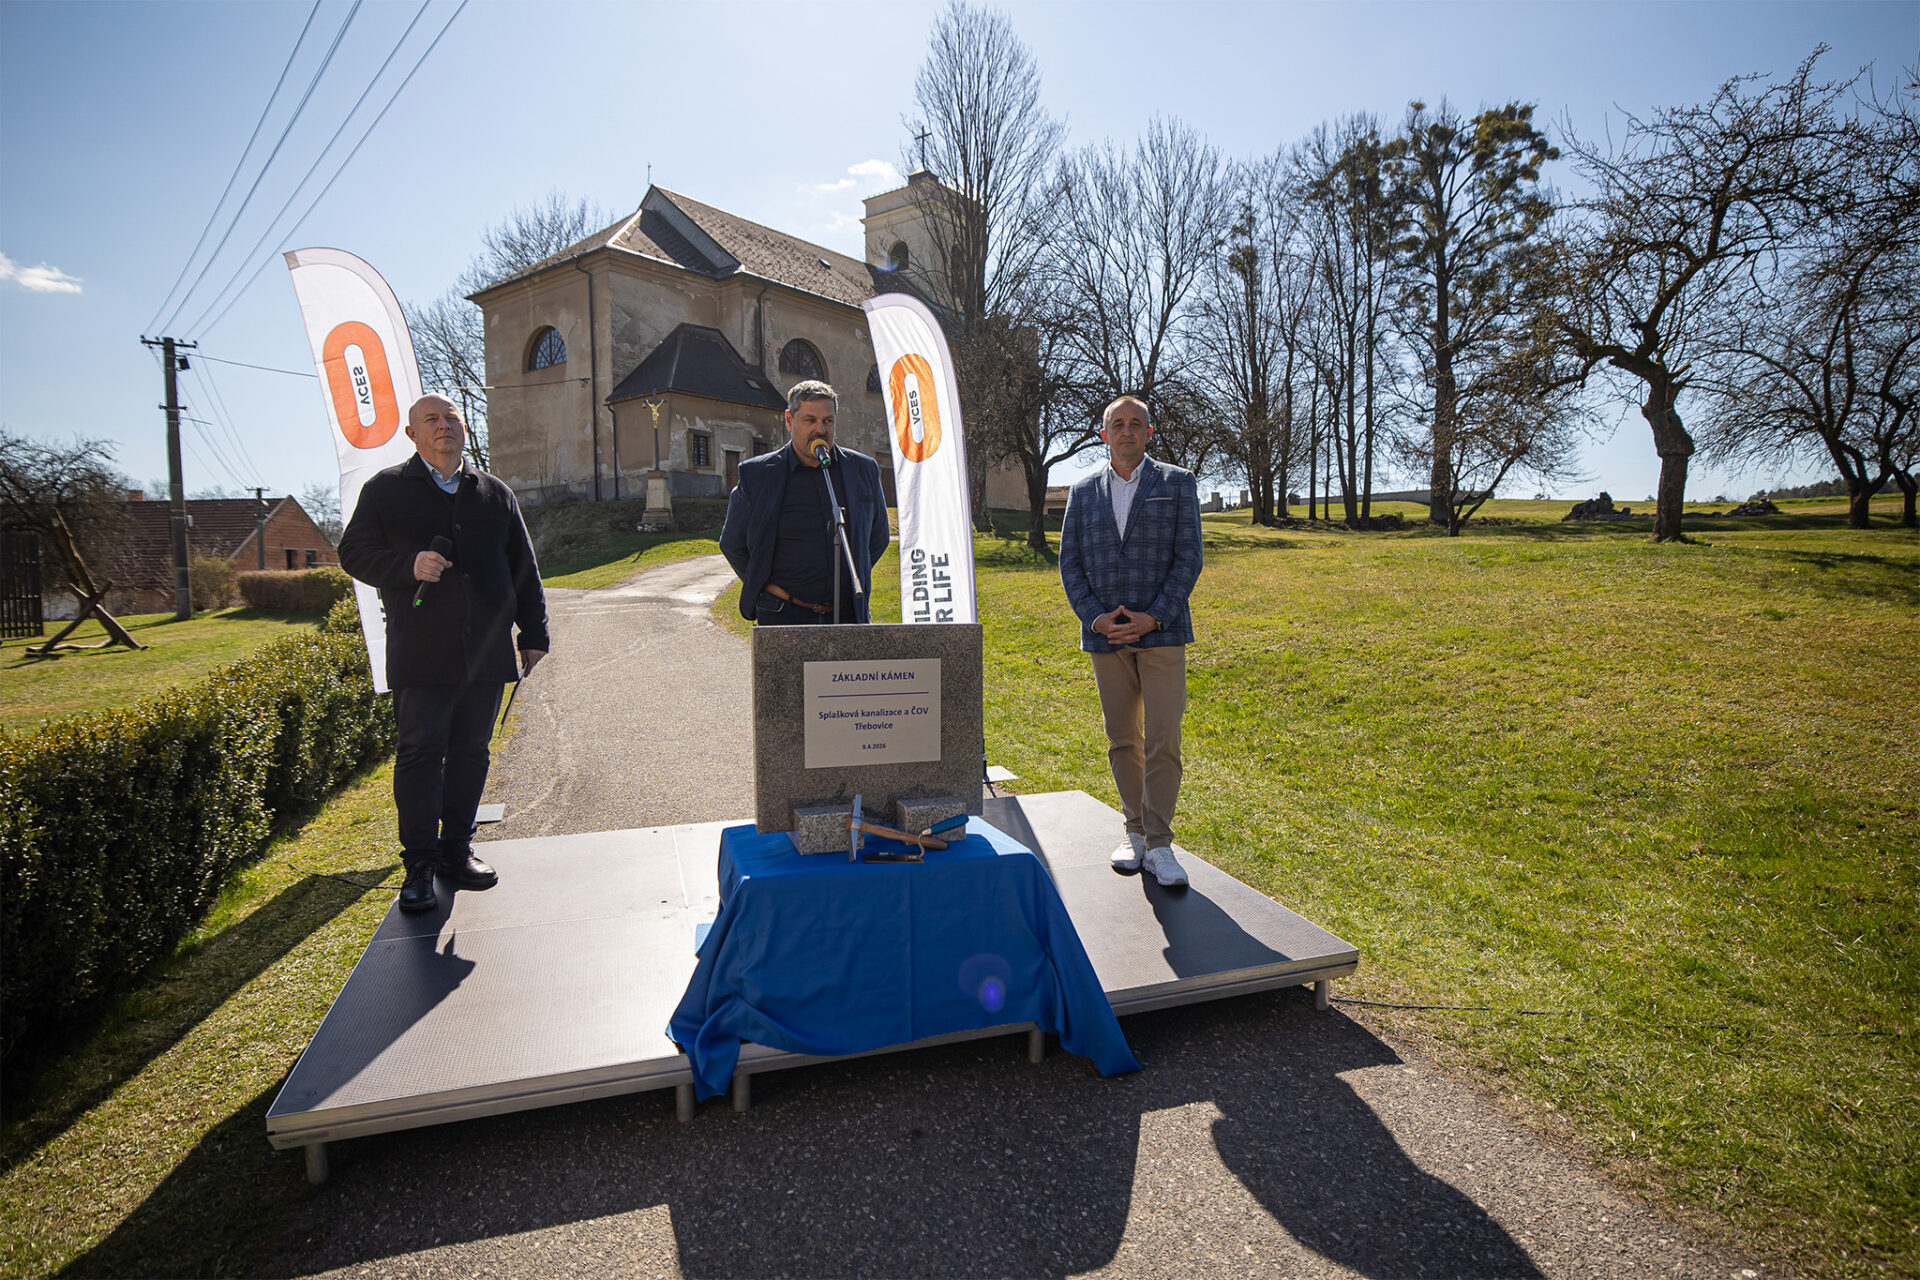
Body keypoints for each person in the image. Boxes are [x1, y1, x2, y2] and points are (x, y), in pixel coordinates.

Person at [339, 394, 549, 914]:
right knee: (418, 756)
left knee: (472, 754)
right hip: (421, 651)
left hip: (484, 651)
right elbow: (353, 553)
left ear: (463, 427)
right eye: (431, 420)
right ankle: (420, 864)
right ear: (412, 434)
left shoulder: (493, 493)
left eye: (451, 418)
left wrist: (534, 631)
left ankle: (457, 850)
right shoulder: (385, 489)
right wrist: (407, 564)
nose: (443, 427)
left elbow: (523, 565)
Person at [1057, 395, 1204, 888]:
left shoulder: (1177, 484)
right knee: (1123, 738)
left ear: (1149, 432)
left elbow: (1189, 560)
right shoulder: (1082, 492)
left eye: (1135, 424)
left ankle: (1161, 845)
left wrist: (1153, 617)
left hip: (1162, 633)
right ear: (1104, 435)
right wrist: (1097, 619)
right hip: (1106, 638)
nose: (1125, 431)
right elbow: (1070, 565)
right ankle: (1135, 833)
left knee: (1164, 739)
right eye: (1116, 424)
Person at [720, 380, 890, 624]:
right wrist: (765, 586)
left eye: (828, 421)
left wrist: (851, 576)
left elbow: (878, 537)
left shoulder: (862, 470)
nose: (820, 430)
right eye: (810, 420)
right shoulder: (757, 474)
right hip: (783, 614)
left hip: (848, 616)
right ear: (790, 421)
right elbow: (732, 543)